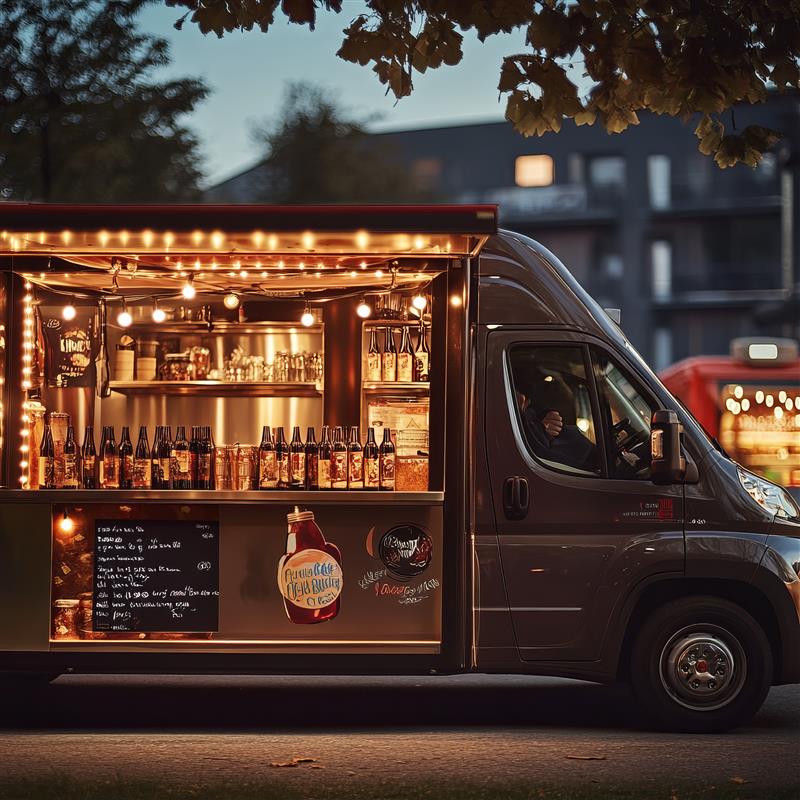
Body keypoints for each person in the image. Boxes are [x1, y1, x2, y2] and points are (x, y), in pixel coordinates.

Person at [515, 381, 599, 473]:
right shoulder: (515, 428)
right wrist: (541, 429)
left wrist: (547, 421)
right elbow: (542, 452)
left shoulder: (531, 416)